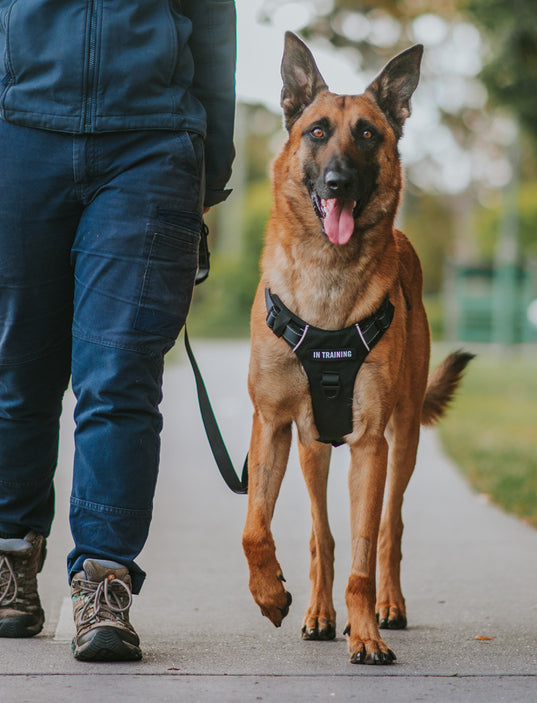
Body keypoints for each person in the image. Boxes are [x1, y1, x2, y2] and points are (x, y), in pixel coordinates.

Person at [0, 1, 236, 661]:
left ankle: (104, 580)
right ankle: (9, 558)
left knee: (120, 367)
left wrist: (208, 164)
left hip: (152, 142)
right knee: (16, 364)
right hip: (17, 130)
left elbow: (214, 21)